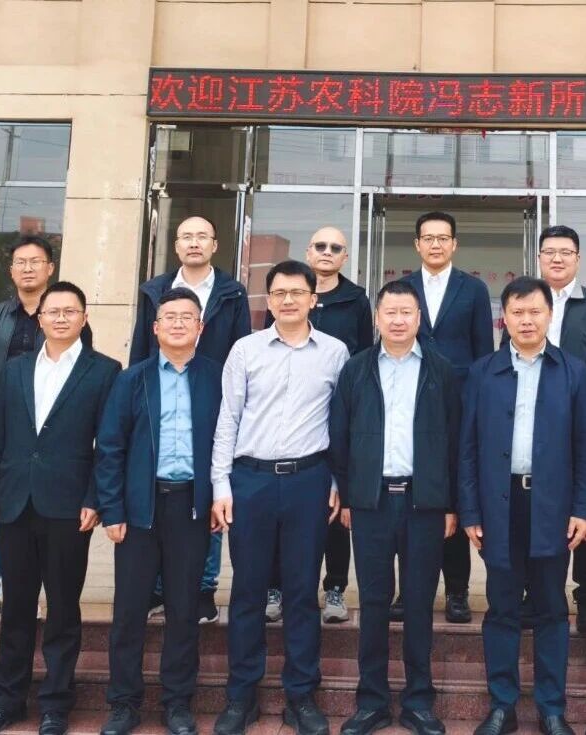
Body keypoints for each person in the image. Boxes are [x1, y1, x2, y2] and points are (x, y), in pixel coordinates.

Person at [0, 282, 122, 735]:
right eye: (53, 311)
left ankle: (56, 703)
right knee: (15, 608)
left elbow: (108, 444)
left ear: (84, 318)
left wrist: (95, 498)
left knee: (62, 609)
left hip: (69, 508)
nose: (60, 318)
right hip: (14, 503)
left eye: (70, 311)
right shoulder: (15, 370)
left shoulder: (104, 370)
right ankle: (8, 701)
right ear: (40, 319)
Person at [209, 260, 348, 735]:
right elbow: (228, 419)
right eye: (280, 293)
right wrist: (221, 484)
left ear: (314, 299)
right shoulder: (245, 350)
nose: (288, 300)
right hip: (251, 481)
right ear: (268, 301)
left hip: (310, 482)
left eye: (298, 292)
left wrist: (336, 482)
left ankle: (301, 695)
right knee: (247, 591)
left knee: (302, 592)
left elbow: (340, 424)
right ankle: (241, 696)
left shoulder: (335, 353)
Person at [459, 277, 586, 735]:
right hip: (499, 504)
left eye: (535, 311)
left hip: (553, 505)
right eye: (517, 313)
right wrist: (470, 511)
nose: (527, 320)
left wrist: (582, 508)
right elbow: (468, 447)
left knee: (552, 607)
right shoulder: (483, 371)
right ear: (505, 319)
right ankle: (503, 705)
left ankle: (552, 708)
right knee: (501, 607)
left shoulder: (574, 371)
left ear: (550, 315)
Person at [329, 280, 459, 735]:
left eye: (407, 312)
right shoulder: (356, 369)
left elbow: (455, 439)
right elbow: (340, 436)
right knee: (374, 602)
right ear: (378, 318)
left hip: (425, 503)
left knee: (420, 603)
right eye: (391, 312)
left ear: (419, 319)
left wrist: (451, 504)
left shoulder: (442, 369)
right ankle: (372, 701)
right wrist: (349, 495)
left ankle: (419, 702)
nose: (399, 320)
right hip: (371, 502)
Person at [95, 287, 223, 735]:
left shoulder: (217, 377)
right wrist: (112, 510)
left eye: (187, 317)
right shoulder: (133, 379)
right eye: (170, 317)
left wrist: (218, 498)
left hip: (192, 507)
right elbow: (110, 447)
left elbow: (227, 441)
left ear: (200, 327)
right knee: (129, 611)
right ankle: (123, 703)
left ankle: (178, 702)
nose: (178, 324)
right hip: (140, 508)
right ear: (155, 327)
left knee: (184, 610)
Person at [0, 234, 92, 621]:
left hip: (47, 432)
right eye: (21, 262)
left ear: (50, 268)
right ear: (11, 270)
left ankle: (26, 588)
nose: (28, 268)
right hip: (1, 422)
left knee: (30, 513)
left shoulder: (65, 316)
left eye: (36, 261)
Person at [131, 215, 251, 625]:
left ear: (215, 244)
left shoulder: (232, 292)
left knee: (206, 489)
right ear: (176, 245)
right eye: (186, 236)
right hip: (161, 393)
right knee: (159, 488)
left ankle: (203, 588)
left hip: (213, 394)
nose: (194, 243)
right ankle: (157, 588)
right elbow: (141, 347)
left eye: (202, 236)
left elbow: (241, 351)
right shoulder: (154, 291)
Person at [503, 225, 586, 634]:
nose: (557, 258)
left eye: (566, 252)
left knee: (580, 509)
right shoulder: (524, 301)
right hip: (526, 422)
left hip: (578, 419)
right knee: (533, 515)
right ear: (539, 258)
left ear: (578, 258)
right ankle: (530, 594)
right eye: (549, 251)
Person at [265, 226, 374, 626]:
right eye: (320, 246)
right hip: (290, 418)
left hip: (337, 414)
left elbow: (365, 354)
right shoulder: (288, 296)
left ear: (345, 257)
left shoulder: (356, 299)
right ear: (308, 252)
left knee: (335, 506)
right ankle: (275, 587)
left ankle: (335, 588)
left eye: (335, 247)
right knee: (282, 514)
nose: (327, 252)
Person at [402, 211, 495, 624]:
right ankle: (409, 589)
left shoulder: (473, 289)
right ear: (417, 244)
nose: (436, 244)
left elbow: (482, 351)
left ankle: (458, 590)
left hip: (458, 404)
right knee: (411, 495)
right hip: (409, 401)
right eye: (428, 238)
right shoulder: (402, 289)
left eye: (443, 238)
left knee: (454, 494)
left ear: (454, 244)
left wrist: (476, 402)